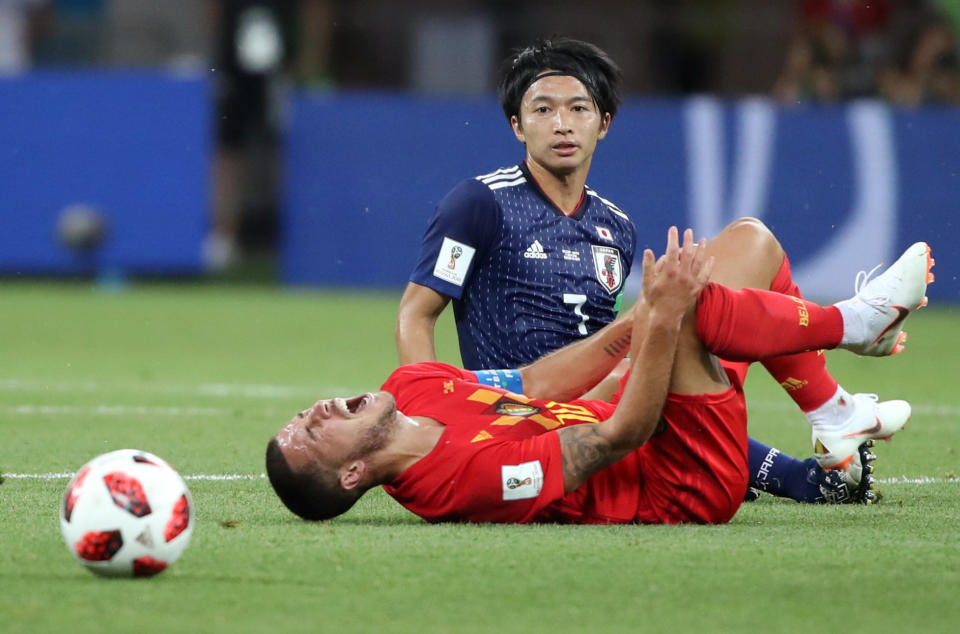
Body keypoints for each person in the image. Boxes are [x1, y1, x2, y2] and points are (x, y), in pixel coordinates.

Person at [394, 36, 881, 504]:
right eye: (543, 109)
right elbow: (417, 314)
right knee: (693, 304)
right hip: (527, 413)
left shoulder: (615, 226)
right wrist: (437, 414)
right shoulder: (479, 203)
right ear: (517, 125)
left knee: (752, 246)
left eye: (578, 108)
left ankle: (822, 431)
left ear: (603, 123)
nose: (562, 123)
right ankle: (827, 415)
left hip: (608, 398)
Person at [266, 228, 933, 524]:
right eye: (310, 433)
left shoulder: (410, 387)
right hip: (683, 481)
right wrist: (661, 321)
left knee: (749, 244)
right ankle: (850, 323)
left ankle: (835, 412)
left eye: (303, 412)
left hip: (644, 421)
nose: (317, 409)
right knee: (692, 306)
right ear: (353, 476)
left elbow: (535, 385)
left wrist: (635, 323)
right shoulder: (457, 487)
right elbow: (619, 434)